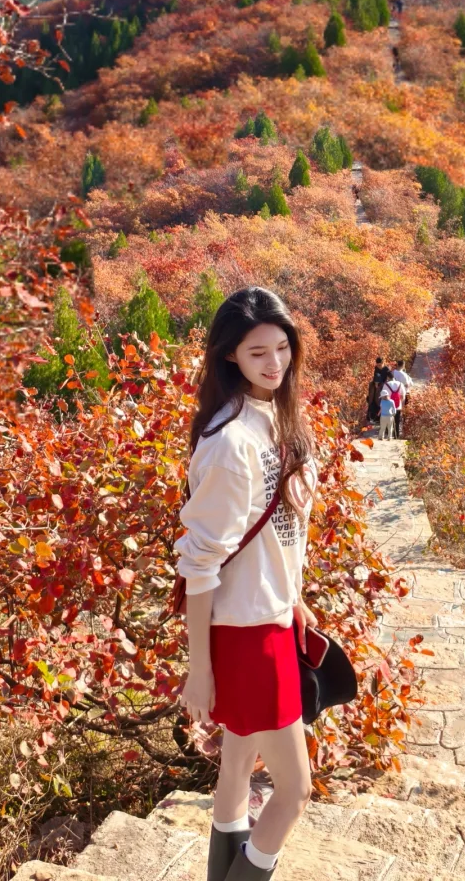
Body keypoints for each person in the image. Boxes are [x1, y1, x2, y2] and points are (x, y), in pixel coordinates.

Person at [176, 287, 319, 881]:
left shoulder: (277, 415)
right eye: (257, 352)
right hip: (246, 633)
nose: (274, 363)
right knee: (295, 791)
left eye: (282, 347)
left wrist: (294, 598)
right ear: (229, 355)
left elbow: (282, 527)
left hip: (270, 617)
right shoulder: (231, 440)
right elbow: (199, 563)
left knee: (236, 765)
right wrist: (200, 670)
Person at [391, 360, 412, 438]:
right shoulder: (404, 375)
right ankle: (402, 430)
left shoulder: (392, 372)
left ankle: (393, 431)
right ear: (403, 365)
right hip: (403, 394)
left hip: (393, 395)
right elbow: (407, 385)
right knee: (403, 413)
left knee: (394, 412)